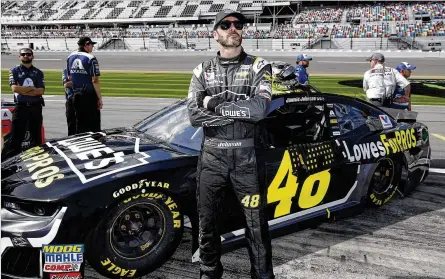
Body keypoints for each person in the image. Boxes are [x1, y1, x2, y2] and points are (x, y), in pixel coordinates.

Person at [187, 9, 275, 279]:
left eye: (238, 24)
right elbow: (193, 115)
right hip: (212, 158)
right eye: (225, 25)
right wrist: (239, 110)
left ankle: (262, 276)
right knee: (207, 223)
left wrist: (213, 104)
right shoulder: (201, 70)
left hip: (247, 159)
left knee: (256, 225)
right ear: (215, 33)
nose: (233, 28)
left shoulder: (260, 66)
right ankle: (209, 273)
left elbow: (260, 110)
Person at [2, 48, 45, 159]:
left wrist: (24, 90)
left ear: (32, 56)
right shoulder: (14, 70)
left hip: (36, 107)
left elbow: (40, 91)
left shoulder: (38, 72)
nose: (26, 56)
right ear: (19, 57)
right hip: (21, 107)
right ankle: (11, 162)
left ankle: (37, 159)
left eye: (28, 54)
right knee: (16, 136)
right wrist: (31, 89)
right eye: (23, 54)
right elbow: (15, 88)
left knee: (36, 137)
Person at [66, 36, 102, 134]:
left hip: (75, 95)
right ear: (86, 45)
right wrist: (99, 98)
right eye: (91, 45)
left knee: (79, 125)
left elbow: (70, 77)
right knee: (93, 126)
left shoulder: (70, 56)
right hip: (88, 96)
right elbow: (95, 80)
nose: (92, 47)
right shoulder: (91, 58)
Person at [62, 68, 76, 135]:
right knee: (71, 125)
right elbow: (66, 84)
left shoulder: (84, 69)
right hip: (71, 100)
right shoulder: (66, 70)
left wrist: (73, 81)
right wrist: (82, 82)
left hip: (83, 99)